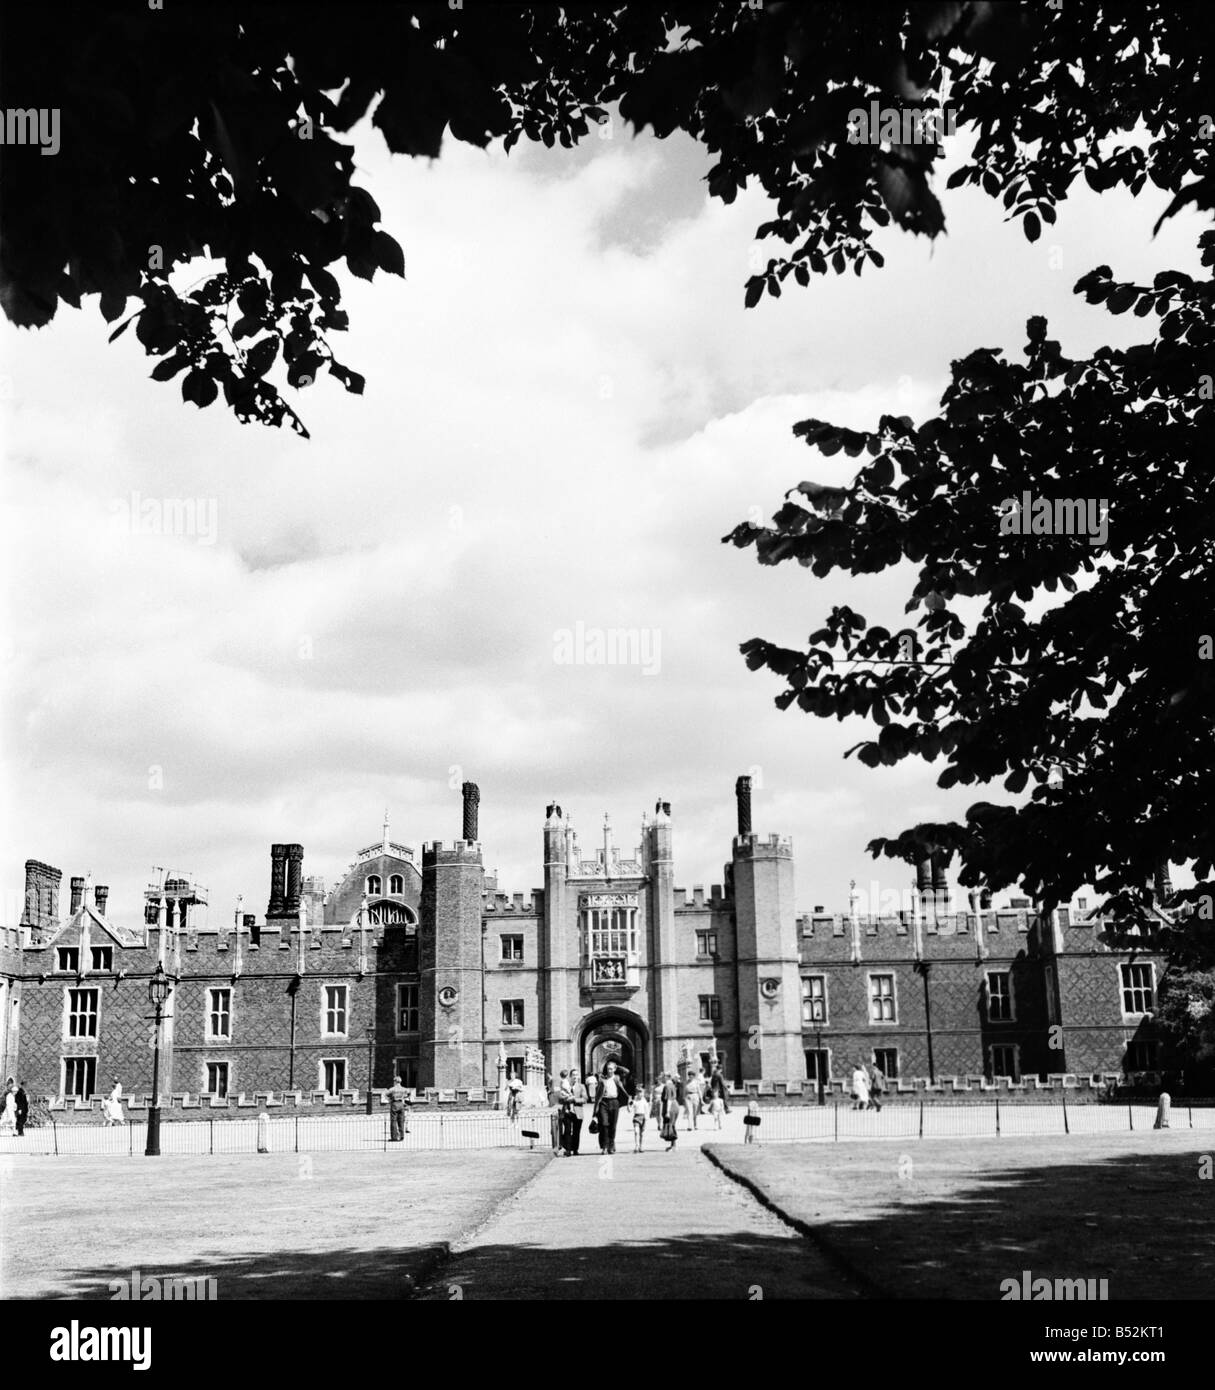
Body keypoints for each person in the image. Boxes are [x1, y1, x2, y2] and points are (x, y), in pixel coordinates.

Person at [595, 1060, 627, 1154]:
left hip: (615, 1102)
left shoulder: (617, 1078)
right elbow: (598, 1095)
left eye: (611, 1069)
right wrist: (595, 1109)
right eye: (608, 1069)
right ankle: (604, 1146)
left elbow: (627, 1071)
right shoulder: (602, 1079)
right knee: (604, 1124)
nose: (609, 1071)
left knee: (613, 1126)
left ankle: (611, 1145)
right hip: (604, 1102)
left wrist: (617, 1067)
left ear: (614, 1069)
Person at [566, 1070, 588, 1155]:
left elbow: (585, 1099)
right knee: (567, 1131)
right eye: (573, 1075)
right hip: (568, 1112)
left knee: (576, 1132)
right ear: (570, 1076)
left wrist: (574, 1099)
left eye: (576, 1075)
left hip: (578, 1112)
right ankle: (568, 1149)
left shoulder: (581, 1086)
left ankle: (575, 1149)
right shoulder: (566, 1086)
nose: (575, 1077)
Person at [387, 1074, 411, 1141]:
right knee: (401, 1120)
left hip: (394, 1103)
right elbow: (409, 1093)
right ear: (400, 1081)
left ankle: (394, 1137)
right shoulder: (404, 1089)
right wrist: (405, 1097)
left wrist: (390, 1099)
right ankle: (401, 1136)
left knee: (393, 1121)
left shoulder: (392, 1089)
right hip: (401, 1104)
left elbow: (386, 1094)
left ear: (395, 1081)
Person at [660, 1073, 679, 1150]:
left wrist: (667, 1111)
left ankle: (674, 1146)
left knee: (671, 1125)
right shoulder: (672, 1085)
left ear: (667, 1077)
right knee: (672, 1125)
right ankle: (672, 1145)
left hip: (671, 1106)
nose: (662, 1079)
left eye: (663, 1077)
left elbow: (669, 1099)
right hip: (674, 1105)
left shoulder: (667, 1086)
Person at [630, 1083, 649, 1152]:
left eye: (641, 1093)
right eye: (638, 1093)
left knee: (642, 1133)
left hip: (643, 1117)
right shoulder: (634, 1101)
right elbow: (629, 1110)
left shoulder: (644, 1101)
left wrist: (646, 1118)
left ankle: (641, 1146)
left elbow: (646, 1110)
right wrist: (629, 1104)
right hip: (636, 1117)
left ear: (643, 1093)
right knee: (636, 1131)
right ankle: (636, 1146)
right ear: (636, 1093)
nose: (640, 1094)